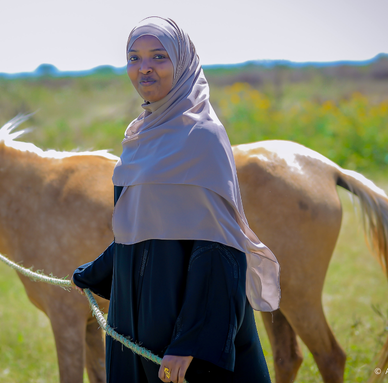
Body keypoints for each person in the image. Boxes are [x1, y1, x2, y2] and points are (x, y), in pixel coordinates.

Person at [72, 16, 281, 383]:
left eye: (158, 57)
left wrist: (190, 341)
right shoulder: (141, 136)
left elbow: (219, 247)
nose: (144, 69)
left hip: (180, 334)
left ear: (183, 63)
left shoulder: (202, 136)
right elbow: (141, 227)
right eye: (134, 58)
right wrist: (93, 274)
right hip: (132, 321)